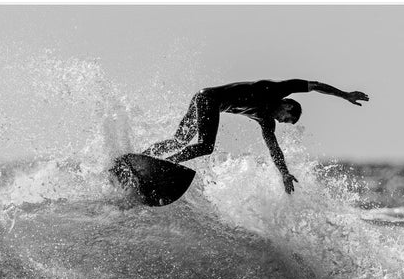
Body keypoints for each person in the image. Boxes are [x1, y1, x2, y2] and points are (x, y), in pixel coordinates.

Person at [142, 79, 369, 194]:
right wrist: (344, 95)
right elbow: (315, 85)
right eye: (287, 119)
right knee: (205, 145)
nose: (282, 122)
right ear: (288, 106)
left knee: (180, 140)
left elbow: (274, 148)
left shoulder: (266, 120)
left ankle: (145, 156)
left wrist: (284, 173)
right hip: (208, 98)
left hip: (204, 99)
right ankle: (165, 164)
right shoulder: (276, 90)